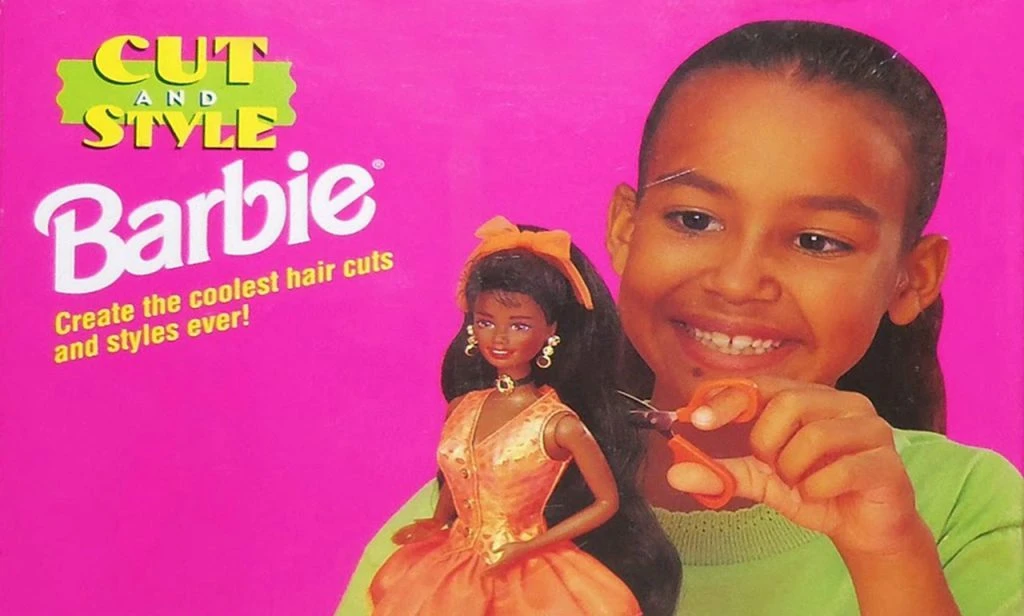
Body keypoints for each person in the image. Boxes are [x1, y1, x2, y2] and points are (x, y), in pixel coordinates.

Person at [339, 21, 1023, 615]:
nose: (737, 282)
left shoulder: (968, 505)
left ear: (912, 278)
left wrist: (889, 554)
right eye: (694, 220)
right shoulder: (481, 502)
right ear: (625, 230)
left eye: (817, 241)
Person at [367, 217, 678, 615]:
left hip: (527, 569)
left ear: (550, 331)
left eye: (519, 326)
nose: (499, 338)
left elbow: (606, 502)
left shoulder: (556, 424)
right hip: (455, 562)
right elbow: (464, 471)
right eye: (485, 322)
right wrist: (437, 521)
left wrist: (531, 545)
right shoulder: (463, 407)